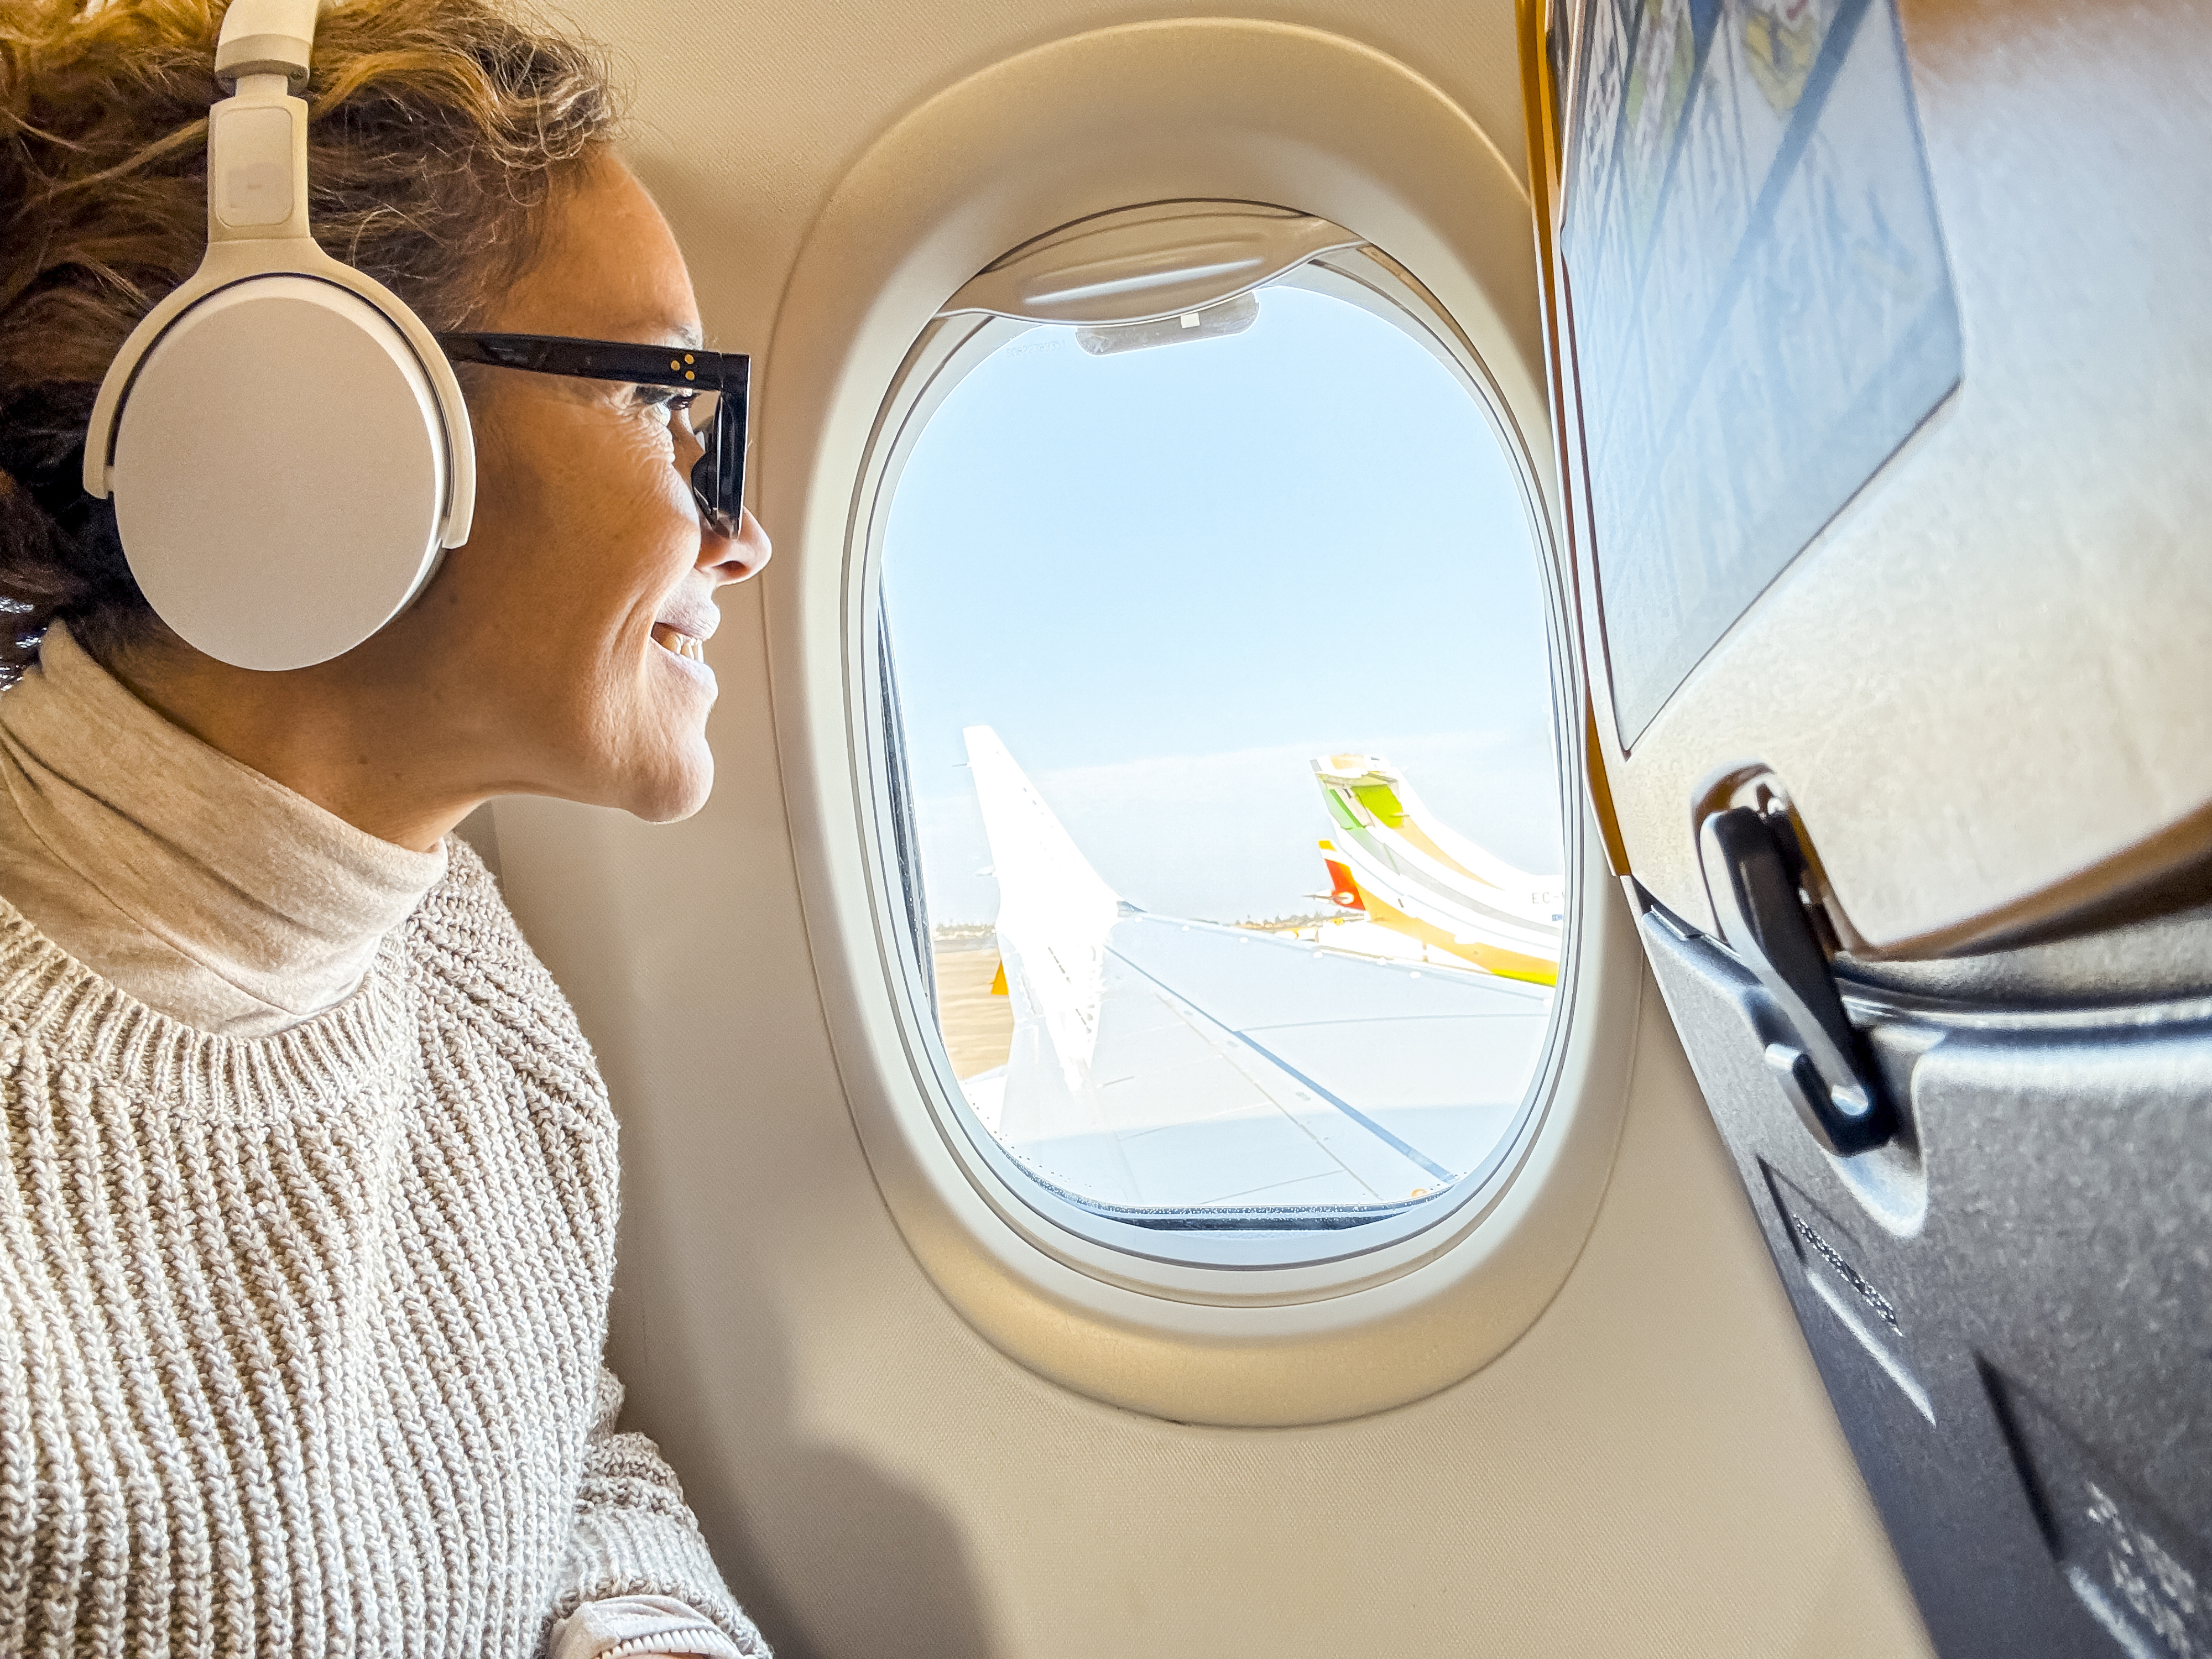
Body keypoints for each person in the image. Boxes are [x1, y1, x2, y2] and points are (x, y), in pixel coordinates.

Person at [0, 0, 774, 1653]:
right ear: (313, 420)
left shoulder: (458, 958)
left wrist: (642, 1634)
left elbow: (551, 1451)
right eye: (669, 407)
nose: (746, 534)